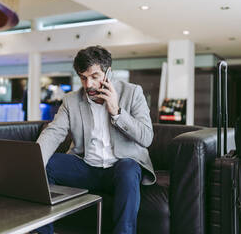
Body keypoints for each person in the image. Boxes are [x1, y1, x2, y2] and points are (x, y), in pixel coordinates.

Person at [34, 46, 156, 234]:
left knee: (128, 168)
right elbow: (54, 133)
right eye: (83, 78)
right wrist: (33, 163)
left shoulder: (132, 93)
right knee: (48, 165)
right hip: (86, 167)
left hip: (119, 168)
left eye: (95, 76)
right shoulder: (71, 100)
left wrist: (116, 111)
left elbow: (147, 137)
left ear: (108, 72)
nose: (88, 84)